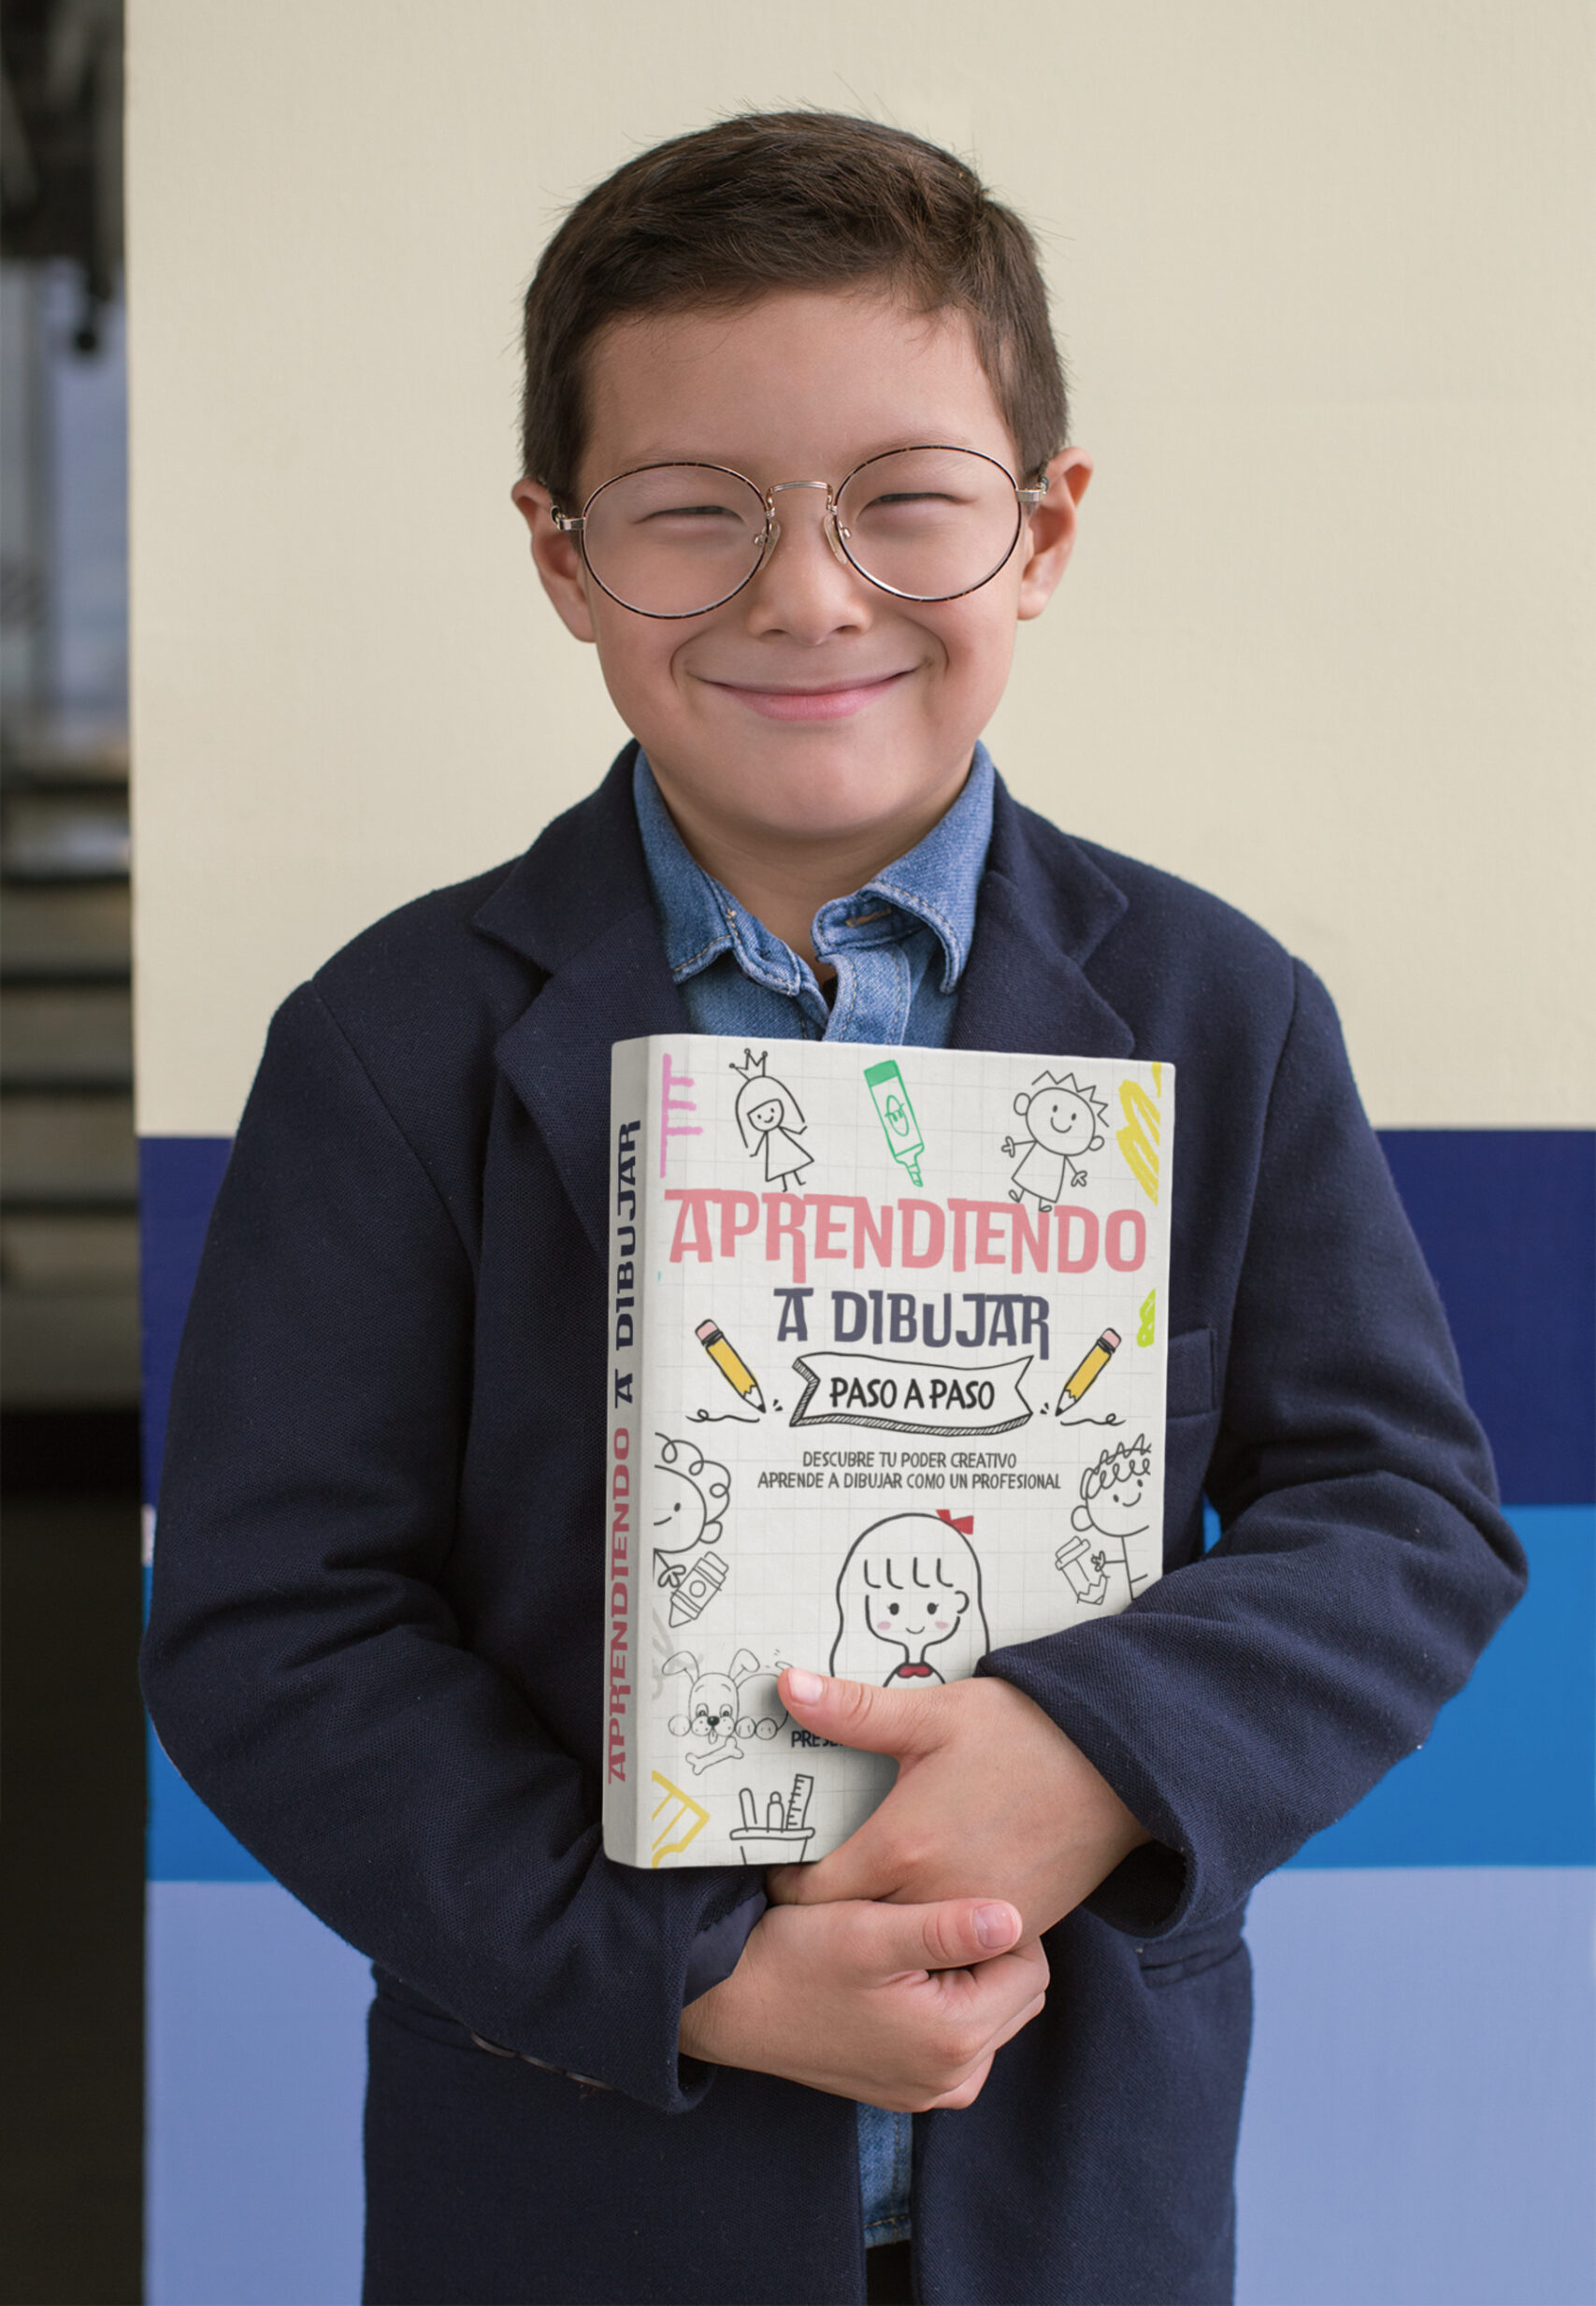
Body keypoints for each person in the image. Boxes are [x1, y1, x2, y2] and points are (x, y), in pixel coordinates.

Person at [139, 112, 1524, 2306]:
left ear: (1042, 527)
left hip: (1079, 2187)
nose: (806, 593)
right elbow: (269, 1626)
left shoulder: (1215, 1011)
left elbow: (1399, 1515)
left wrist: (1087, 1753)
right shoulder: (392, 1045)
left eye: (905, 500)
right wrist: (676, 1965)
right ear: (559, 552)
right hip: (576, 2192)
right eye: (692, 513)